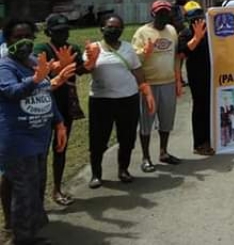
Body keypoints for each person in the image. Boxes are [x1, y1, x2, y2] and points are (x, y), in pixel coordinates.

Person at [0, 18, 72, 245]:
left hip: (40, 136)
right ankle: (22, 238)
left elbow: (45, 92)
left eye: (27, 36)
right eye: (17, 37)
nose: (23, 41)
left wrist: (59, 122)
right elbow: (11, 91)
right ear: (7, 40)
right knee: (23, 189)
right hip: (18, 138)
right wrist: (36, 78)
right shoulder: (5, 66)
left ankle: (32, 228)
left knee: (37, 184)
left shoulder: (33, 61)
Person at [85, 15, 156, 188]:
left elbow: (137, 69)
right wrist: (91, 61)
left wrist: (146, 90)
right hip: (101, 101)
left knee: (127, 137)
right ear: (102, 28)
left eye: (118, 27)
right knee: (98, 139)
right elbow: (85, 69)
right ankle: (96, 174)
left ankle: (123, 169)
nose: (114, 30)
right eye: (110, 27)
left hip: (128, 99)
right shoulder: (93, 48)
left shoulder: (127, 48)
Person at [33, 14, 87, 207]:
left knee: (60, 148)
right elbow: (39, 72)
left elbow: (81, 69)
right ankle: (37, 195)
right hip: (44, 105)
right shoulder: (41, 49)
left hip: (66, 105)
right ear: (48, 33)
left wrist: (90, 62)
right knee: (41, 152)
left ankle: (57, 189)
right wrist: (56, 67)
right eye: (58, 32)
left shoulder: (73, 48)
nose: (63, 35)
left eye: (65, 31)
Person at [132, 0, 183, 173]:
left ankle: (164, 152)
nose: (162, 16)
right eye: (159, 13)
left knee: (167, 120)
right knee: (146, 122)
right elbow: (134, 60)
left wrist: (178, 80)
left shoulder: (172, 31)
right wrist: (144, 52)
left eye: (165, 13)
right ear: (152, 14)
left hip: (168, 82)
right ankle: (146, 157)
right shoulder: (142, 32)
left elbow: (176, 57)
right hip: (149, 85)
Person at [179, 8, 214, 155]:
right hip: (197, 76)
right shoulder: (186, 34)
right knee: (200, 107)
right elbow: (183, 53)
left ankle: (212, 139)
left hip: (212, 75)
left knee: (211, 107)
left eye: (201, 19)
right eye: (196, 20)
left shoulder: (211, 31)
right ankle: (200, 143)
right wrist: (197, 37)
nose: (200, 22)